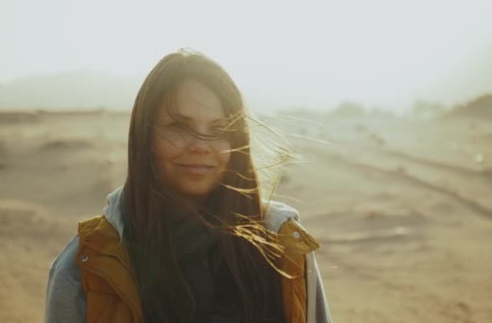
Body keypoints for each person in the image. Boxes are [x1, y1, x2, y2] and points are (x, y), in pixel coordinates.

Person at [44, 49, 332, 323]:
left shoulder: (283, 246)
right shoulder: (87, 266)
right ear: (145, 137)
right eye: (179, 127)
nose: (200, 146)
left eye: (219, 130)